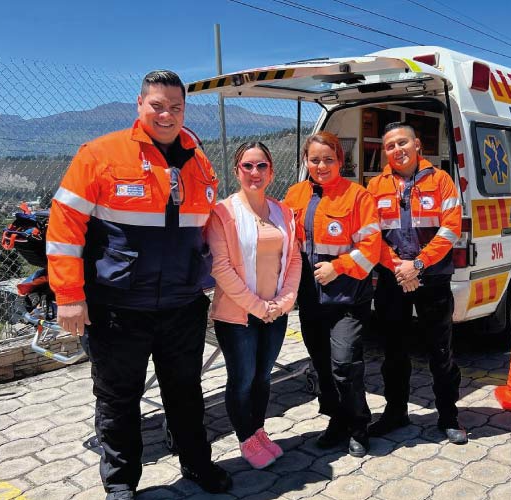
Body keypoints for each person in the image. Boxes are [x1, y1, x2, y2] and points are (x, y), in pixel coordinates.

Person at [46, 70, 232, 499]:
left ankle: (197, 465)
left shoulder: (199, 162)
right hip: (117, 308)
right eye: (158, 105)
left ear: (185, 109)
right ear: (140, 105)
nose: (167, 114)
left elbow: (208, 231)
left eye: (176, 107)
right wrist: (70, 296)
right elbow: (64, 229)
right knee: (118, 400)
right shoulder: (99, 154)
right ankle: (121, 484)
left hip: (183, 306)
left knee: (186, 393)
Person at [365, 122, 467, 444]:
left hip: (433, 278)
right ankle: (395, 412)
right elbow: (370, 235)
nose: (397, 149)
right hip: (393, 279)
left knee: (440, 351)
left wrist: (418, 265)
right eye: (391, 145)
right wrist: (399, 267)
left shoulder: (441, 181)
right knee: (393, 352)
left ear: (417, 144)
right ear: (386, 152)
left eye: (403, 142)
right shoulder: (375, 187)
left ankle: (448, 417)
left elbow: (451, 229)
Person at [284, 131, 381, 457]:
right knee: (323, 366)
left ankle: (358, 425)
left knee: (345, 364)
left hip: (348, 299)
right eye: (314, 160)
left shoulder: (358, 197)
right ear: (306, 162)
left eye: (328, 159)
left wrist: (337, 267)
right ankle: (336, 420)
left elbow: (371, 250)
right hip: (311, 300)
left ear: (341, 160)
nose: (321, 165)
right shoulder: (295, 195)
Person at [207, 142, 301, 469]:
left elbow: (293, 260)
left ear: (271, 171)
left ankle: (259, 432)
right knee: (242, 379)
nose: (254, 173)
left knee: (263, 378)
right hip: (237, 316)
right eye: (247, 166)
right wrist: (259, 307)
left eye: (261, 166)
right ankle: (246, 438)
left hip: (275, 313)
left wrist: (285, 301)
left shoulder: (283, 212)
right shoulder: (223, 213)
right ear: (237, 172)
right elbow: (221, 268)